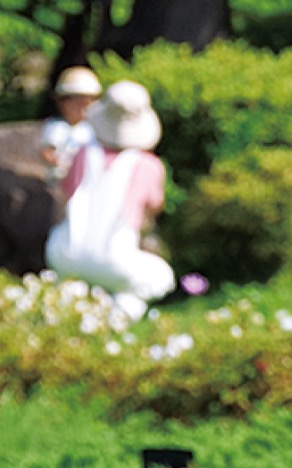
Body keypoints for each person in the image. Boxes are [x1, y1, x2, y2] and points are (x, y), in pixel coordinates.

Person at [46, 78, 175, 321]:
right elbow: (152, 208)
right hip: (114, 262)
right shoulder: (148, 164)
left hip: (64, 253)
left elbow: (65, 195)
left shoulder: (82, 154)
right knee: (162, 277)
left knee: (75, 268)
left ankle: (72, 295)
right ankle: (124, 309)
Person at [40, 65, 102, 188]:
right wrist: (57, 162)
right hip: (61, 179)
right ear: (61, 103)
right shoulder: (56, 127)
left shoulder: (92, 129)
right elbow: (47, 151)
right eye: (76, 103)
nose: (82, 109)